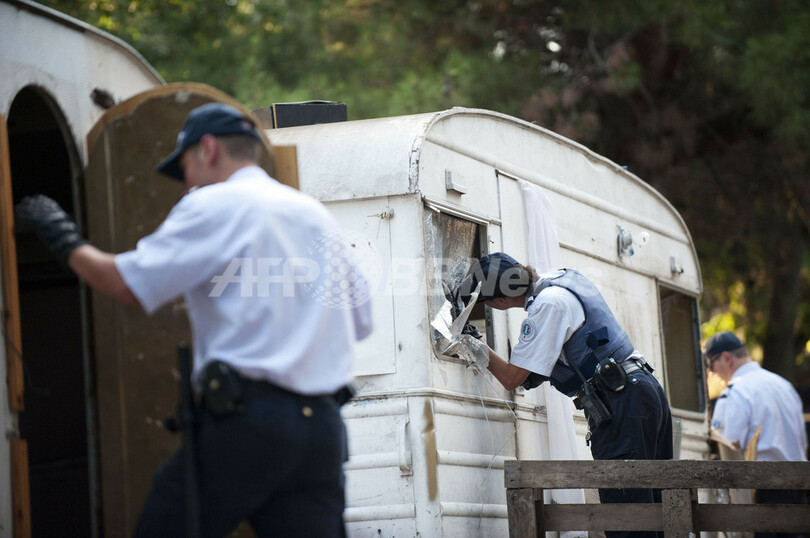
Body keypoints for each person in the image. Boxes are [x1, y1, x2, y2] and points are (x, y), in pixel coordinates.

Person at [15, 102, 373, 537]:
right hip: (322, 433)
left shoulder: (212, 204)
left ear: (207, 150)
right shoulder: (314, 214)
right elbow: (361, 321)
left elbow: (126, 284)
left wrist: (60, 233)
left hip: (250, 426)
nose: (184, 182)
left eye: (183, 166)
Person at [451, 253, 672, 538]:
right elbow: (545, 367)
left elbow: (511, 378)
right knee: (658, 508)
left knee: (627, 517)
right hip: (642, 388)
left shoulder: (546, 306)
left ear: (500, 302)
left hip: (620, 402)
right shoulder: (564, 279)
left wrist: (473, 342)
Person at [705, 331, 808, 536]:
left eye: (711, 365)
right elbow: (803, 443)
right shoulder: (784, 386)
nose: (712, 373)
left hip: (764, 495)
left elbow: (728, 451)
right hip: (800, 490)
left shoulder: (735, 393)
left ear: (726, 358)